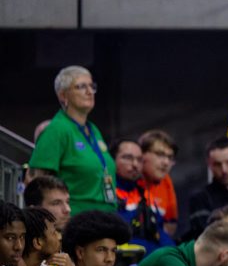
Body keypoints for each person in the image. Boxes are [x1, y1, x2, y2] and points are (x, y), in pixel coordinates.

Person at [27, 66, 117, 214]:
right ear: (63, 96)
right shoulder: (57, 129)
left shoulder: (93, 129)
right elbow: (36, 182)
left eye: (91, 86)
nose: (89, 91)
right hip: (75, 217)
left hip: (106, 216)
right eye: (81, 86)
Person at [110, 138, 172, 253]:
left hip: (152, 258)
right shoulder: (104, 194)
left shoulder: (146, 196)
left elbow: (161, 234)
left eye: (139, 160)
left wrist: (175, 255)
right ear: (112, 160)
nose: (135, 164)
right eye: (128, 158)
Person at [187, 138, 228, 240]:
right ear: (209, 164)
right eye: (217, 164)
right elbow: (204, 238)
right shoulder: (199, 198)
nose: (224, 170)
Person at [138, 129, 180, 240]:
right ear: (141, 155)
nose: (166, 162)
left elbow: (171, 225)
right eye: (160, 154)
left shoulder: (166, 181)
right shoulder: (128, 180)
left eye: (170, 157)